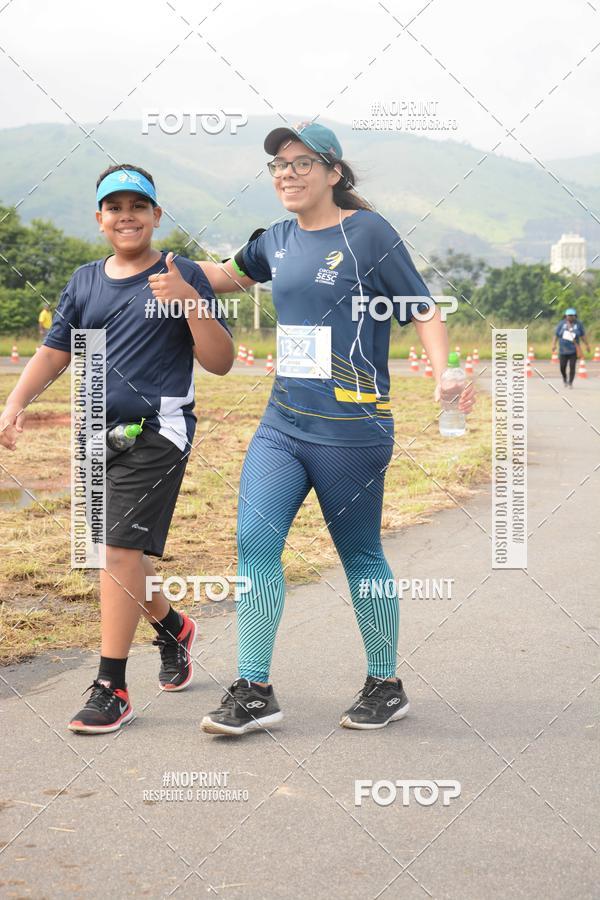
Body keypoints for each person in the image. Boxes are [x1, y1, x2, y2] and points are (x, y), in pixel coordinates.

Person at [179, 121, 475, 735]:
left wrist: (444, 375)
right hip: (282, 424)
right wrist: (147, 255)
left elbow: (423, 310)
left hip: (353, 431)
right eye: (277, 166)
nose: (286, 173)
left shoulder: (368, 234)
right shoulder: (276, 240)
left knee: (360, 555)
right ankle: (254, 690)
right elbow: (221, 275)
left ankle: (385, 683)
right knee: (254, 546)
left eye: (301, 163)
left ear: (333, 173)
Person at [0, 164, 234, 733]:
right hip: (97, 436)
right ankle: (174, 627)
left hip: (161, 431)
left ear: (156, 215)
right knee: (118, 559)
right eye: (114, 207)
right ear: (99, 218)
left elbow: (220, 361)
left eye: (138, 206)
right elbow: (56, 353)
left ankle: (112, 685)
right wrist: (14, 404)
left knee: (116, 551)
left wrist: (188, 301)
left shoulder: (180, 274)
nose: (126, 215)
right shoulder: (84, 282)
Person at [552, 308, 590, 388]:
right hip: (563, 350)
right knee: (562, 367)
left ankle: (570, 382)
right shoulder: (561, 324)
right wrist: (553, 344)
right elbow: (556, 335)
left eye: (572, 316)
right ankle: (565, 378)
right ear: (565, 316)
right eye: (569, 316)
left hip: (573, 350)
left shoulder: (578, 324)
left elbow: (582, 336)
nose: (570, 317)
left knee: (572, 367)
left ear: (575, 316)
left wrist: (587, 345)